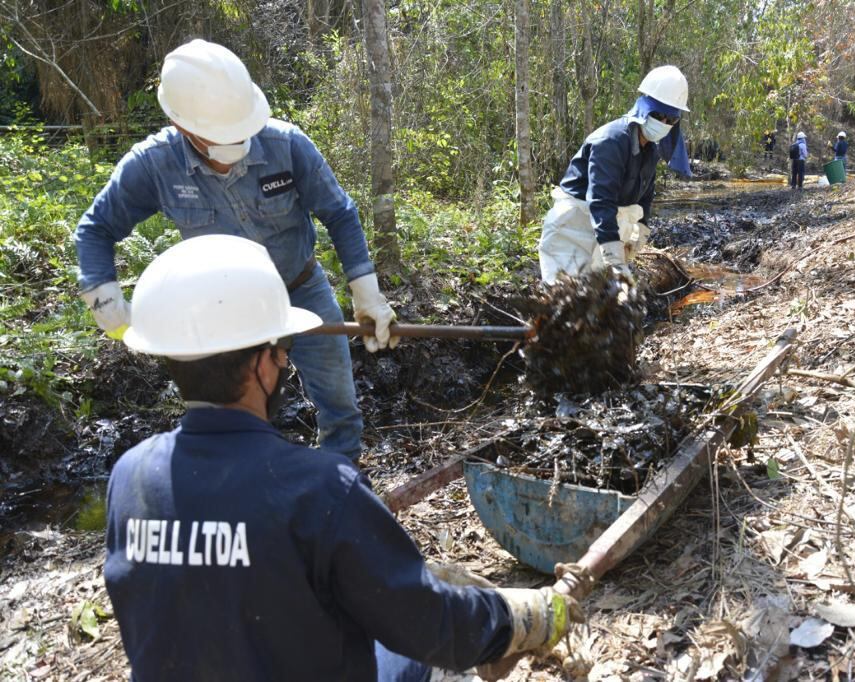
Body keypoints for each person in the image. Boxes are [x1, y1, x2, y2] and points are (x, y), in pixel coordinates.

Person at [104, 234, 582, 682]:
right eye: (282, 349)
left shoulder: (130, 477)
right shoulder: (319, 487)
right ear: (260, 363)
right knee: (414, 647)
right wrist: (526, 616)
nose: (287, 361)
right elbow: (433, 626)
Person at [74, 39, 392, 463]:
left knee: (339, 401)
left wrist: (365, 291)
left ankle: (342, 479)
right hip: (226, 309)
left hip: (302, 288)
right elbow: (96, 228)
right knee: (240, 413)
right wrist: (103, 296)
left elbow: (340, 213)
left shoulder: (287, 145)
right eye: (221, 137)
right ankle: (251, 488)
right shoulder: (154, 165)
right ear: (182, 125)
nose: (235, 144)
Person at [538, 65, 691, 283]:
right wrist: (613, 256)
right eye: (659, 116)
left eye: (671, 120)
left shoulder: (650, 150)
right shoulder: (611, 141)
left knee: (600, 303)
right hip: (572, 228)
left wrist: (641, 231)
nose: (664, 123)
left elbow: (646, 194)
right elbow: (601, 200)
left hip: (602, 228)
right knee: (565, 300)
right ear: (644, 108)